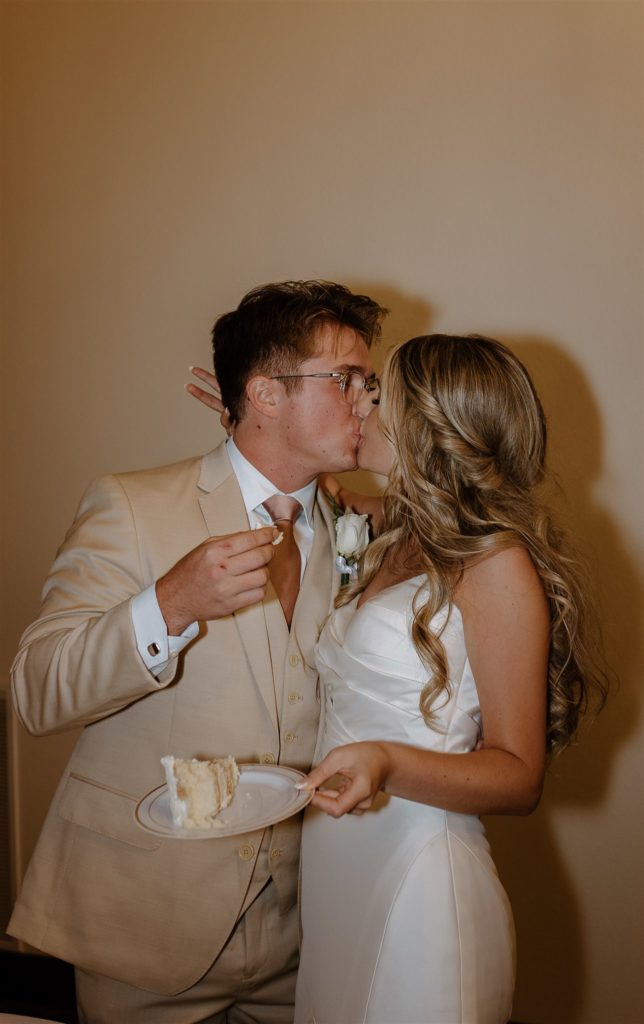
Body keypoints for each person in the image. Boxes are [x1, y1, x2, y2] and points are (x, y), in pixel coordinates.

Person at [9, 280, 386, 1024]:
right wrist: (168, 606)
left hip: (302, 941)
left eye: (369, 383)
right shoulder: (132, 505)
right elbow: (35, 691)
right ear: (265, 396)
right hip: (146, 932)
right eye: (345, 379)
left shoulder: (358, 522)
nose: (366, 401)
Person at [288, 334, 608, 1024]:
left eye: (378, 394)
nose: (362, 403)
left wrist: (385, 761)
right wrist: (252, 415)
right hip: (338, 874)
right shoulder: (398, 530)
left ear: (425, 424)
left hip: (420, 883)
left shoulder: (496, 565)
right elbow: (323, 491)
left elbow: (521, 776)